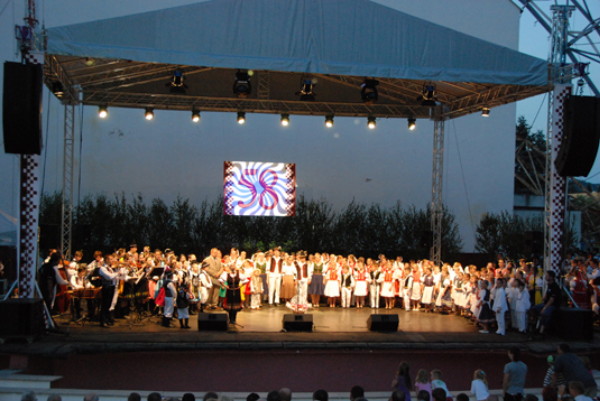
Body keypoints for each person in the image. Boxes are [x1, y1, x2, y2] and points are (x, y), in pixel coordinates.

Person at [530, 271, 561, 336]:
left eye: (547, 276)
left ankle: (542, 331)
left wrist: (544, 308)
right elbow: (547, 295)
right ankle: (534, 326)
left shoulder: (555, 286)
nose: (545, 277)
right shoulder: (549, 285)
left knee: (545, 313)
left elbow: (552, 300)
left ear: (551, 277)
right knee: (533, 309)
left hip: (553, 305)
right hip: (546, 303)